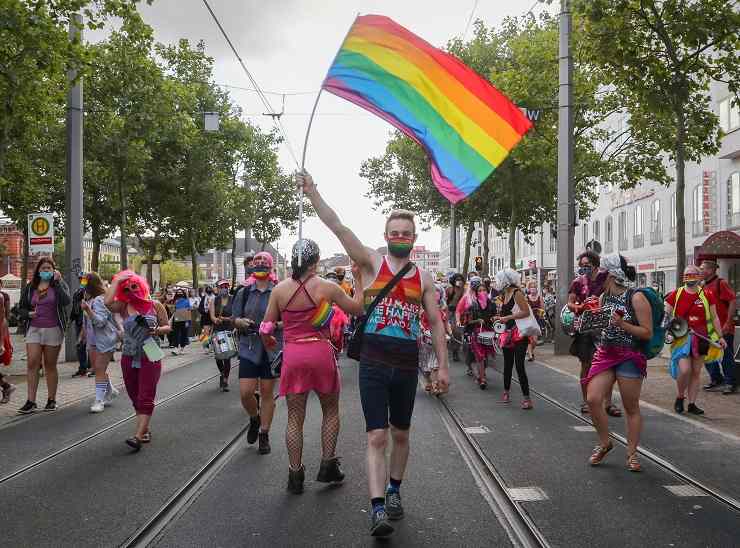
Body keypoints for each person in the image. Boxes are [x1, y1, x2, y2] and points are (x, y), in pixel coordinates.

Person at [299, 171, 449, 538]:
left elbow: (435, 322)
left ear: (414, 239)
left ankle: (395, 491)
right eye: (394, 233)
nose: (400, 238)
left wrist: (443, 366)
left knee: (401, 435)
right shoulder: (370, 263)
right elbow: (337, 225)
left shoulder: (424, 278)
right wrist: (312, 191)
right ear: (386, 236)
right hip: (374, 363)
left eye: (406, 234)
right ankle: (378, 507)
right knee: (375, 437)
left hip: (406, 363)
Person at [261, 239, 365, 494]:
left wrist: (270, 340)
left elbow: (265, 327)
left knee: (295, 418)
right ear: (316, 261)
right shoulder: (327, 288)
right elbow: (358, 308)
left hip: (294, 355)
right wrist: (359, 280)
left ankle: (295, 475)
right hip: (320, 352)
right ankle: (328, 465)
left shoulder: (279, 290)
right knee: (330, 410)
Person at [582, 255, 652, 472]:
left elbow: (647, 332)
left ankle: (632, 453)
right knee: (593, 399)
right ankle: (605, 442)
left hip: (630, 355)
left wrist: (623, 324)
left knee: (630, 407)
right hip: (606, 353)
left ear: (611, 275)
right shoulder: (603, 297)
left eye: (600, 274)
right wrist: (586, 320)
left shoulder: (636, 297)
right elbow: (600, 328)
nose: (596, 277)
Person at [106, 271, 171, 450]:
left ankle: (138, 435)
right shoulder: (123, 305)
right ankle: (145, 428)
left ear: (141, 285)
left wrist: (156, 330)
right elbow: (107, 302)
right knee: (134, 394)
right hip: (129, 353)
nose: (131, 291)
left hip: (151, 351)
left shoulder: (155, 305)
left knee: (146, 394)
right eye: (126, 289)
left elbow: (168, 327)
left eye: (133, 286)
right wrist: (117, 280)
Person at [232, 251, 281, 455]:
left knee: (268, 393)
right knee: (246, 393)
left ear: (271, 267)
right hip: (249, 346)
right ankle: (254, 417)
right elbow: (233, 318)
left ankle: (264, 434)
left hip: (271, 348)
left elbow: (289, 320)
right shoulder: (243, 291)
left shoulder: (279, 291)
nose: (260, 264)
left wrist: (272, 325)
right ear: (252, 266)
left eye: (264, 262)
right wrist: (239, 321)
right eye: (256, 261)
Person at [665, 265, 727, 415]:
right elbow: (665, 314)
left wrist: (720, 337)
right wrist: (667, 327)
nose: (689, 277)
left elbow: (714, 317)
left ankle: (692, 404)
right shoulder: (676, 294)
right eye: (687, 274)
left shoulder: (707, 294)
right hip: (681, 338)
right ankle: (680, 397)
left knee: (696, 372)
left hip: (701, 338)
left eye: (692, 274)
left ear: (699, 277)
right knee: (685, 370)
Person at [568, 251, 622, 417]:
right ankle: (586, 401)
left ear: (595, 264)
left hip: (605, 327)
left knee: (607, 365)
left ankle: (608, 402)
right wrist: (579, 307)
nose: (584, 268)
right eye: (581, 265)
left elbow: (615, 293)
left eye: (587, 265)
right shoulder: (577, 282)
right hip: (585, 328)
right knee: (586, 364)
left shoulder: (605, 277)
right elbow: (570, 303)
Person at [16, 257, 71, 414]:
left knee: (50, 365)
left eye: (49, 268)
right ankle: (31, 401)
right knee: (32, 363)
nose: (46, 271)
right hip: (34, 329)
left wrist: (59, 282)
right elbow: (21, 308)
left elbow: (66, 301)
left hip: (53, 330)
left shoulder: (59, 285)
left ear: (54, 270)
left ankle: (51, 400)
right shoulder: (30, 287)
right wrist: (28, 314)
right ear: (38, 271)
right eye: (43, 268)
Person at [80, 272, 120, 413]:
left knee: (99, 369)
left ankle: (99, 400)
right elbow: (88, 324)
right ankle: (110, 391)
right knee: (98, 369)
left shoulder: (99, 300)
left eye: (84, 283)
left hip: (104, 340)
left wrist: (88, 310)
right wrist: (83, 335)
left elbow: (100, 322)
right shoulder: (91, 299)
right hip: (93, 340)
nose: (82, 286)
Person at [494, 269, 534, 409]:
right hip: (507, 334)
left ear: (505, 281)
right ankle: (506, 391)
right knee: (507, 365)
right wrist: (500, 318)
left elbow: (526, 312)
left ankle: (527, 398)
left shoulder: (517, 293)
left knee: (519, 365)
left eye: (499, 280)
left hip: (519, 334)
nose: (497, 283)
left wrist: (508, 318)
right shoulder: (504, 294)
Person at [700, 260, 737, 394]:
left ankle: (730, 383)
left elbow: (733, 301)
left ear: (710, 270)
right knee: (707, 355)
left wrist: (728, 322)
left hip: (723, 328)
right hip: (708, 329)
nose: (700, 271)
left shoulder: (721, 283)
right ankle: (716, 380)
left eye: (702, 268)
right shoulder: (703, 286)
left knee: (726, 355)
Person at [456, 276, 495, 388]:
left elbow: (495, 316)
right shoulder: (472, 304)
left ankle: (481, 373)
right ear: (476, 292)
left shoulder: (491, 303)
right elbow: (466, 320)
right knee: (479, 355)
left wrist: (495, 319)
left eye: (484, 290)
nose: (482, 292)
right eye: (479, 290)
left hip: (488, 332)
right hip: (475, 333)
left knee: (485, 356)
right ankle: (482, 378)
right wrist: (476, 320)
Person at [421, 284, 450, 392]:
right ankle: (429, 380)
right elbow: (421, 322)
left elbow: (446, 322)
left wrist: (449, 332)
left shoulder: (444, 308)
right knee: (426, 365)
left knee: (436, 364)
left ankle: (435, 385)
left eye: (437, 291)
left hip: (439, 339)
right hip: (426, 340)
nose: (435, 293)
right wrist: (423, 330)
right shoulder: (424, 308)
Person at [209, 279, 235, 392]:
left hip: (228, 329)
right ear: (218, 289)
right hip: (217, 330)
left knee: (227, 356)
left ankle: (225, 380)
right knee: (219, 356)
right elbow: (212, 316)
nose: (224, 288)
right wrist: (216, 320)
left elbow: (235, 315)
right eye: (222, 287)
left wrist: (226, 319)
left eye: (226, 286)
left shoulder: (233, 299)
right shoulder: (214, 300)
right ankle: (222, 373)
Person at [69, 271, 90, 377]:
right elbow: (74, 307)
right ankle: (83, 367)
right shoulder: (78, 291)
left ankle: (88, 367)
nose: (81, 280)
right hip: (79, 321)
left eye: (83, 278)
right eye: (80, 278)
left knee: (86, 345)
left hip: (86, 322)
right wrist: (71, 319)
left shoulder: (87, 291)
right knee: (80, 345)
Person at [445, 273, 466, 362]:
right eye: (457, 279)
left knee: (458, 332)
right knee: (453, 331)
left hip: (461, 313)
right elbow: (444, 301)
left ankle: (457, 350)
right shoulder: (449, 290)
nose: (459, 281)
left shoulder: (465, 291)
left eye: (461, 279)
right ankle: (454, 351)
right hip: (450, 312)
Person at [0, 282, 15, 404]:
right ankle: (6, 387)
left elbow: (4, 319)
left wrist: (1, 342)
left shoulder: (2, 297)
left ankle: (6, 387)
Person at [525, 280, 545, 362]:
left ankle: (531, 351)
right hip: (529, 320)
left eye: (534, 287)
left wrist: (540, 312)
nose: (533, 288)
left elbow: (543, 309)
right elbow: (525, 309)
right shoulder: (526, 298)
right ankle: (530, 355)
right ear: (529, 288)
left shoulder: (540, 297)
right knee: (530, 338)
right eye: (531, 287)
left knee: (535, 340)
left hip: (537, 319)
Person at [171, 288, 191, 355]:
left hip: (184, 319)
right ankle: (176, 348)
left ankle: (182, 348)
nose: (179, 293)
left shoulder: (186, 301)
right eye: (178, 292)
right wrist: (173, 306)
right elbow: (172, 310)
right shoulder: (174, 301)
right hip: (176, 319)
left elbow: (188, 310)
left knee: (184, 334)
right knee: (175, 334)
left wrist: (188, 321)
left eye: (181, 292)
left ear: (183, 293)